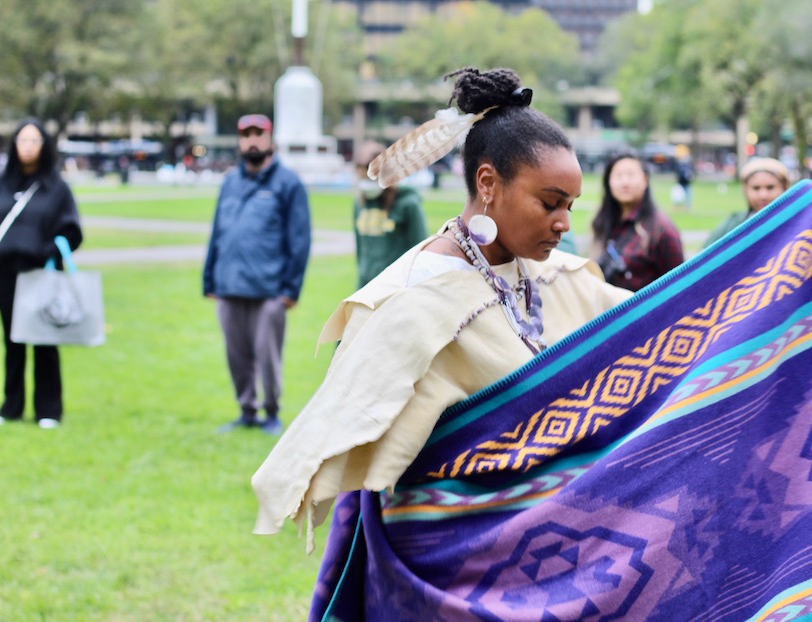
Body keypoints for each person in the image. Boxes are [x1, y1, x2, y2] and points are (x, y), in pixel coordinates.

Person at [251, 67, 633, 617]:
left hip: (552, 553)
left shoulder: (558, 277)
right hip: (443, 564)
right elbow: (352, 420)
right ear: (487, 183)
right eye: (549, 202)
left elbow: (658, 321)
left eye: (570, 206)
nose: (562, 223)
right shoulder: (411, 299)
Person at [203, 113, 311, 436]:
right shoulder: (230, 182)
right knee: (236, 355)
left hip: (270, 289)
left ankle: (271, 412)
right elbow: (217, 232)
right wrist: (209, 278)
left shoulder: (287, 183)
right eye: (246, 135)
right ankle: (246, 410)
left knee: (267, 357)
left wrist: (290, 289)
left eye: (258, 134)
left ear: (270, 139)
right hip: (229, 285)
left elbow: (300, 239)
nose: (252, 140)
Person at [0, 117, 82, 429]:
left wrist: (50, 249)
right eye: (23, 140)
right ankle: (12, 405)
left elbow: (73, 231)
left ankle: (48, 408)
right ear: (15, 144)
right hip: (6, 273)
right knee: (13, 340)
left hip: (41, 273)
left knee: (45, 339)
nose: (28, 146)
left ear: (44, 146)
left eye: (35, 140)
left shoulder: (57, 189)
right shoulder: (3, 184)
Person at [590, 152, 685, 292]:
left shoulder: (662, 230)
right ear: (608, 182)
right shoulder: (603, 223)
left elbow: (679, 285)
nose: (625, 182)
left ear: (645, 179)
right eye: (618, 176)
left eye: (631, 175)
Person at [353, 142, 428, 288]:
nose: (366, 184)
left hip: (395, 290)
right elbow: (360, 250)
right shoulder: (359, 204)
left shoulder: (408, 204)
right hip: (366, 287)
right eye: (362, 178)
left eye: (370, 179)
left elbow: (421, 252)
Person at [704, 157, 790, 248]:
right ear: (745, 190)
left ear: (784, 188)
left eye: (770, 187)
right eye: (756, 188)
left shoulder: (795, 222)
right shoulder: (733, 224)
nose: (763, 195)